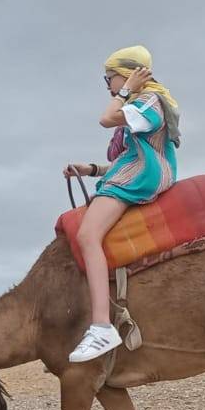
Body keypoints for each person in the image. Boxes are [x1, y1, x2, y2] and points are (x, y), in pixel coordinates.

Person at [63, 45, 181, 363]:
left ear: (127, 75)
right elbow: (131, 155)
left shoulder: (149, 100)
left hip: (140, 177)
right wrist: (91, 170)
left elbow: (106, 119)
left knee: (88, 236)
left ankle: (101, 326)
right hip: (138, 171)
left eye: (110, 79)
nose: (109, 86)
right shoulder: (148, 104)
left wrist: (126, 91)